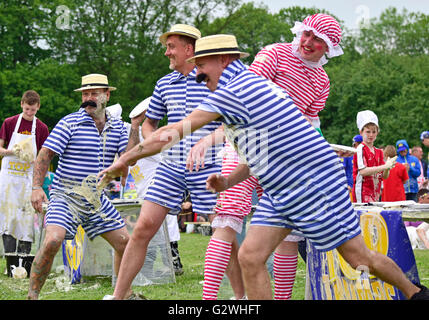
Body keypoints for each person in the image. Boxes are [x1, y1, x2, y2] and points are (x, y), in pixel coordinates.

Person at [98, 34, 429, 300]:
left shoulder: (235, 90)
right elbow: (256, 155)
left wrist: (124, 160)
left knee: (358, 258)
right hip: (281, 189)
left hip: (314, 182)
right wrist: (228, 183)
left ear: (225, 60)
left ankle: (415, 293)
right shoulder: (246, 92)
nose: (197, 71)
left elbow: (170, 133)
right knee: (251, 256)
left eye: (203, 63)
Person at [187, 13, 346, 300]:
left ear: (329, 49)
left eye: (318, 40)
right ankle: (209, 300)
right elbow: (241, 98)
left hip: (286, 159)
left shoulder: (322, 81)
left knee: (290, 233)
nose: (308, 42)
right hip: (247, 145)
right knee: (226, 219)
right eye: (307, 34)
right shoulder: (274, 53)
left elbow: (310, 123)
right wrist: (211, 138)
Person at [100, 24, 223, 300]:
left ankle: (240, 297)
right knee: (143, 226)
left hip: (212, 164)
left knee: (223, 227)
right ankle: (120, 296)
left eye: (171, 47)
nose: (167, 52)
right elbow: (150, 123)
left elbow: (230, 124)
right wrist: (155, 142)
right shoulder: (164, 83)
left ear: (188, 49)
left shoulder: (214, 78)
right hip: (171, 164)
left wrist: (206, 143)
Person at [27, 74, 142, 300]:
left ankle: (124, 295)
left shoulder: (118, 126)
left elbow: (130, 159)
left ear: (106, 95)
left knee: (126, 244)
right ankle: (32, 296)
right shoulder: (70, 122)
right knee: (52, 240)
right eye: (85, 94)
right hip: (65, 195)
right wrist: (36, 187)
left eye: (94, 93)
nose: (88, 98)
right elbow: (45, 154)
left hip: (97, 199)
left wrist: (136, 126)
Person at [128, 96, 184, 275]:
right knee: (151, 230)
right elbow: (132, 153)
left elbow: (140, 150)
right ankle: (153, 265)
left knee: (166, 226)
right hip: (143, 192)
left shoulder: (158, 138)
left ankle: (173, 263)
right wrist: (135, 126)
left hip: (157, 191)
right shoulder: (132, 135)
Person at [0, 90, 49, 257]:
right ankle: (9, 256)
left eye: (33, 110)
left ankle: (24, 256)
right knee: (9, 216)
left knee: (26, 216)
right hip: (9, 177)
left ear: (38, 108)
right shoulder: (9, 123)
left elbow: (44, 157)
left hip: (28, 178)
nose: (29, 113)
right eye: (27, 109)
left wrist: (32, 159)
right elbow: (0, 150)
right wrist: (12, 152)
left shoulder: (42, 128)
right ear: (22, 104)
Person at [352, 110, 396, 203]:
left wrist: (388, 167)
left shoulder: (379, 151)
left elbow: (384, 176)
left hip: (375, 193)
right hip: (362, 193)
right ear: (361, 132)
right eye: (368, 132)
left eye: (374, 132)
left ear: (377, 133)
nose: (371, 135)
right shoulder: (360, 149)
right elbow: (363, 171)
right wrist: (384, 166)